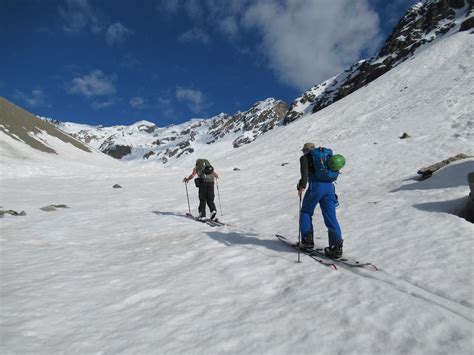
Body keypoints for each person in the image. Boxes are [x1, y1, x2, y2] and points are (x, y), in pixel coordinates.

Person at [297, 143, 345, 258]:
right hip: (329, 188)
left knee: (306, 212)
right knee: (331, 217)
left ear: (306, 150)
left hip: (316, 187)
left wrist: (302, 185)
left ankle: (307, 241)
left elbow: (305, 174)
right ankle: (336, 247)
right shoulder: (324, 157)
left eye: (304, 151)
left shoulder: (305, 158)